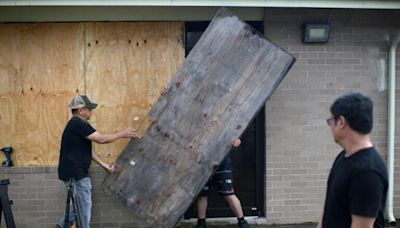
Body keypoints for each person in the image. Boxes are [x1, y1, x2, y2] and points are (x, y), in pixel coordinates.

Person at [56, 95, 137, 228]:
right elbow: (101, 139)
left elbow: (89, 152)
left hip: (73, 172)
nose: (91, 112)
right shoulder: (78, 123)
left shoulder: (78, 125)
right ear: (81, 110)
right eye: (89, 109)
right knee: (84, 208)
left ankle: (61, 226)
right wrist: (122, 134)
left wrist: (104, 165)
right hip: (76, 174)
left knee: (79, 206)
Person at [317, 92, 388, 228]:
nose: (330, 125)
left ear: (341, 122)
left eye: (332, 120)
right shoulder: (343, 157)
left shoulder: (368, 172)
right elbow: (330, 207)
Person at [196, 138, 249, 228]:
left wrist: (236, 141)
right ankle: (201, 223)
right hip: (204, 160)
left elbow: (237, 140)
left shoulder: (227, 124)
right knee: (202, 194)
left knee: (229, 193)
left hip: (222, 161)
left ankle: (242, 222)